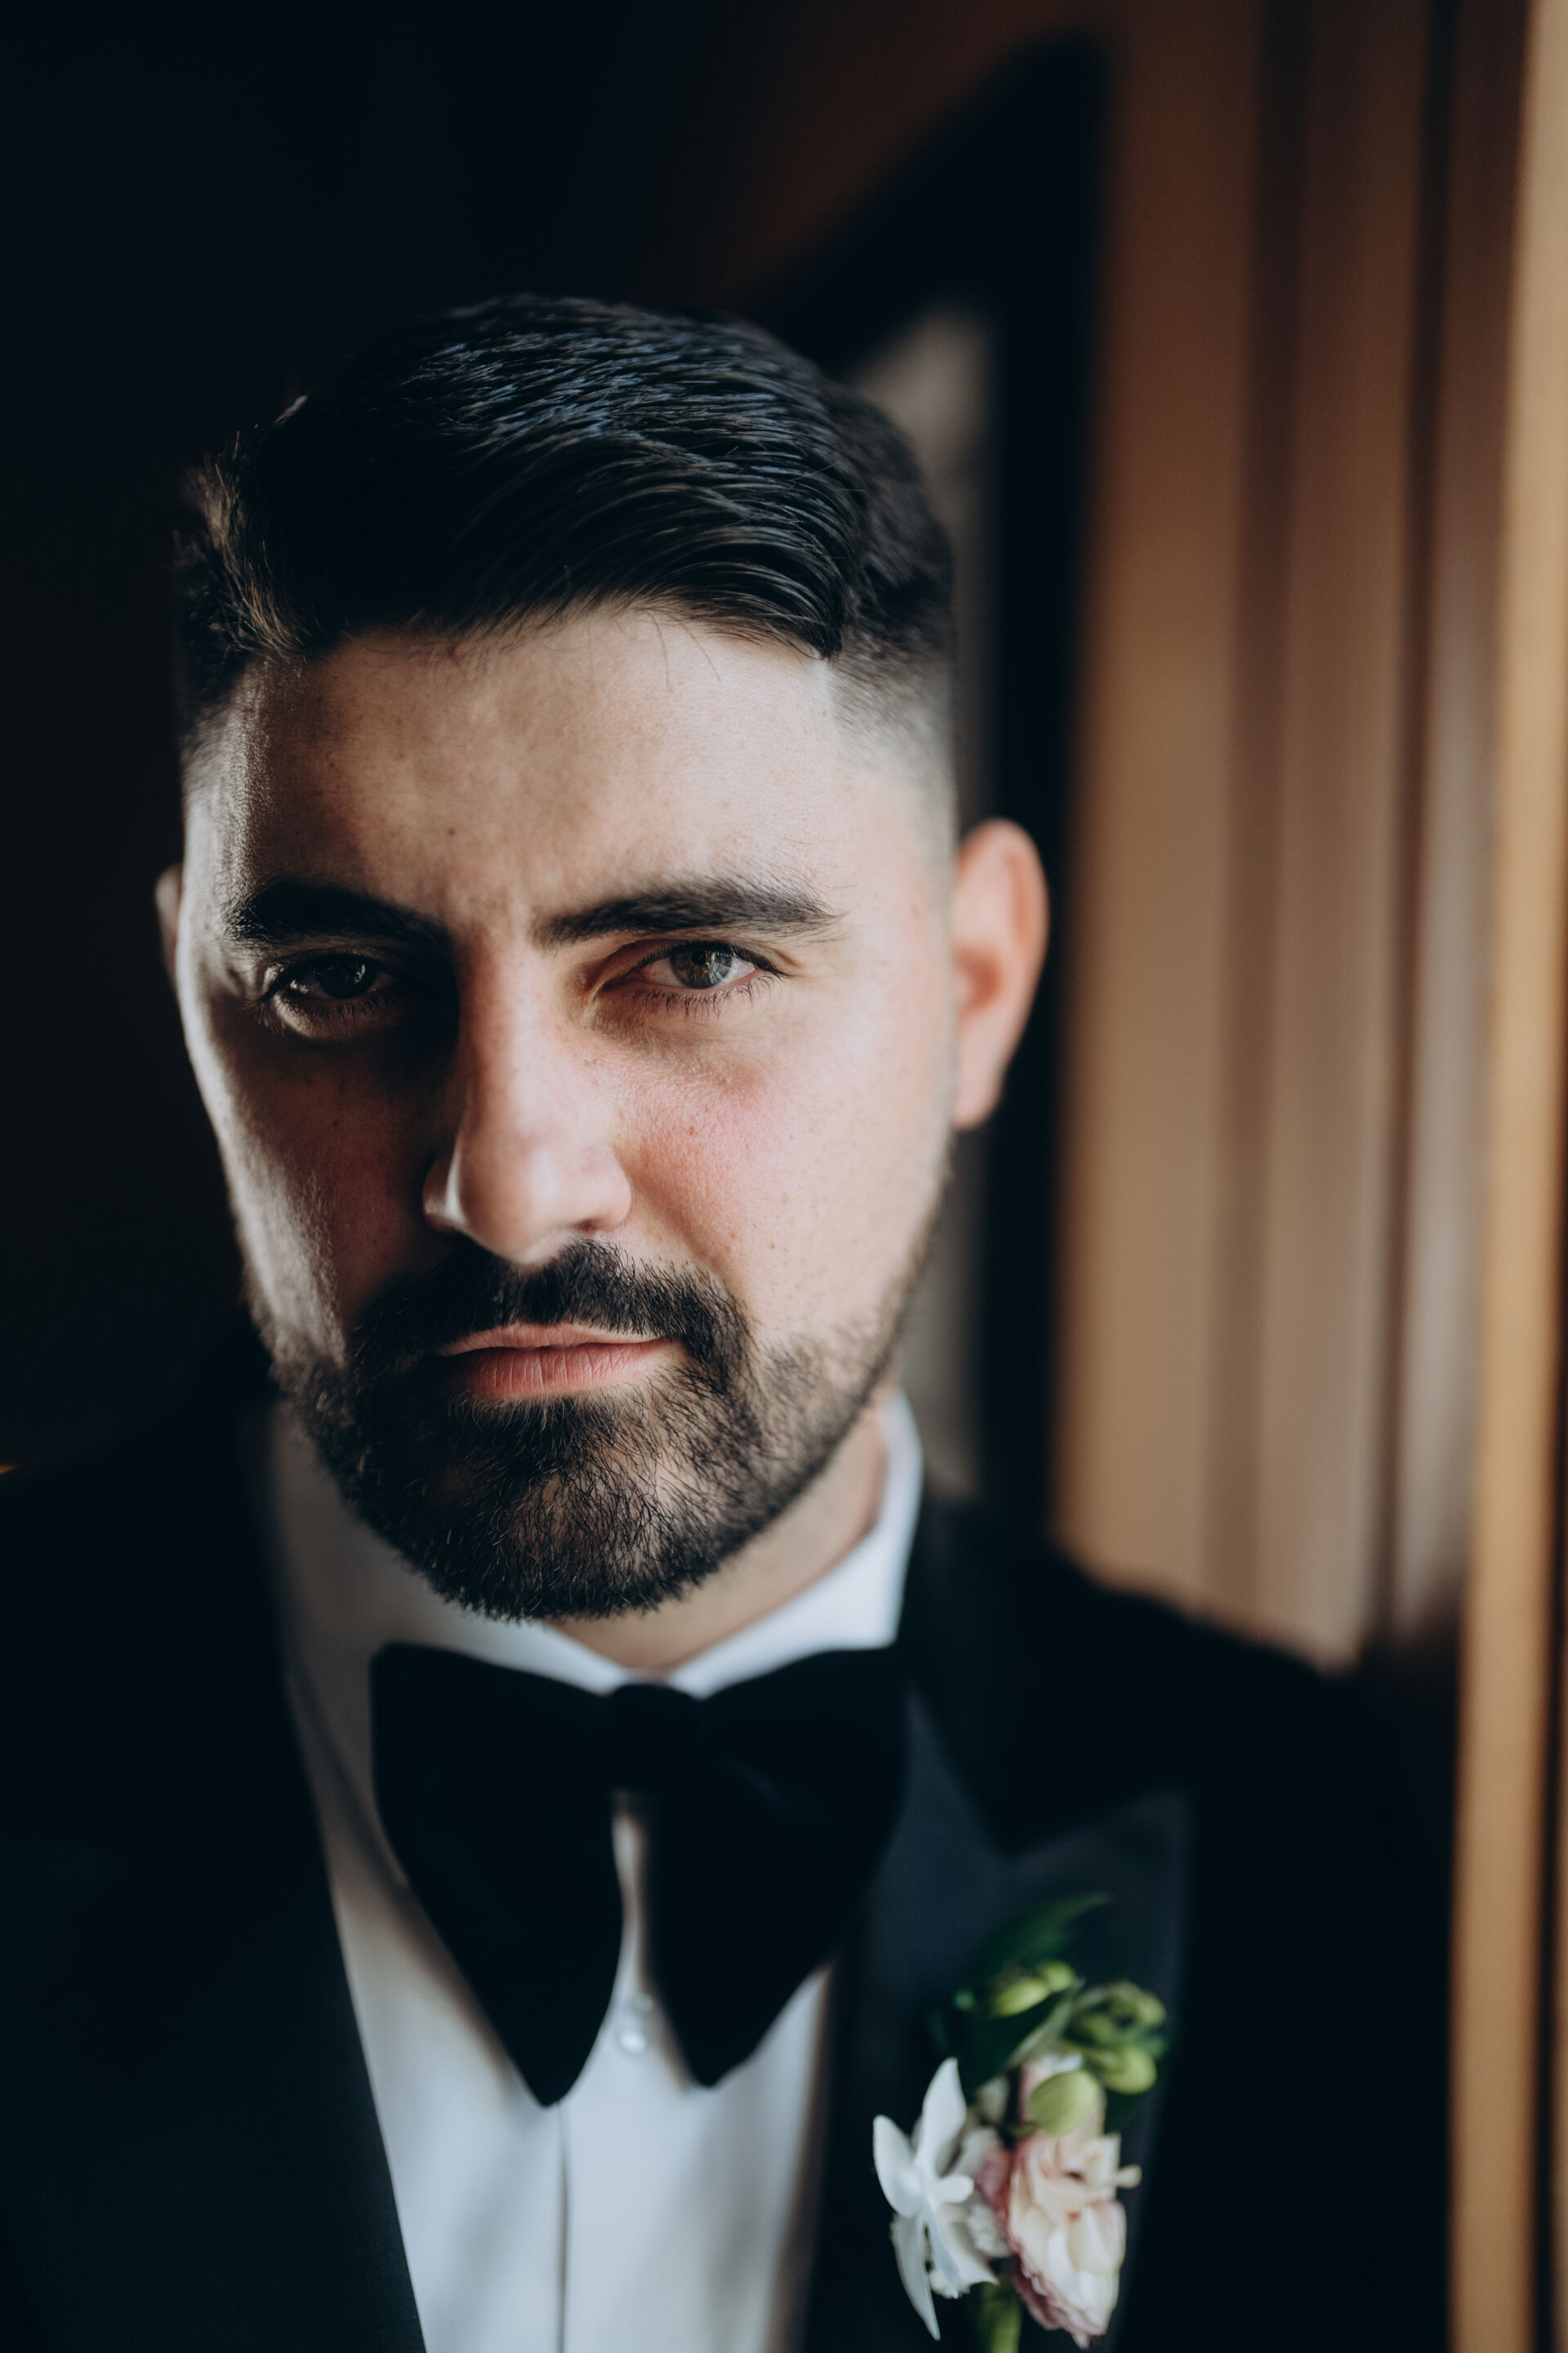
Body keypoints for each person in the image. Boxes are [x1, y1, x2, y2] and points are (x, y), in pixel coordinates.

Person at [0, 296, 1441, 2353]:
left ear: (975, 987)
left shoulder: (1298, 1841)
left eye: (688, 962)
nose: (511, 1184)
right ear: (193, 1005)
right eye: (337, 980)